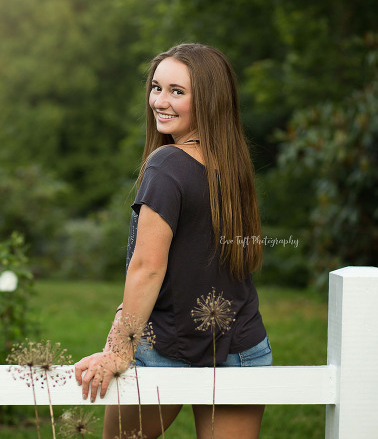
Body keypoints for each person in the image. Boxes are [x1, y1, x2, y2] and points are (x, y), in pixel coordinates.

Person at [74, 43, 271, 439]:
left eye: (177, 92)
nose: (160, 102)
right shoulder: (232, 165)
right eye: (156, 87)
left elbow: (148, 267)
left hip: (168, 344)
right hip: (242, 344)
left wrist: (119, 350)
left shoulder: (166, 164)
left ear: (209, 101)